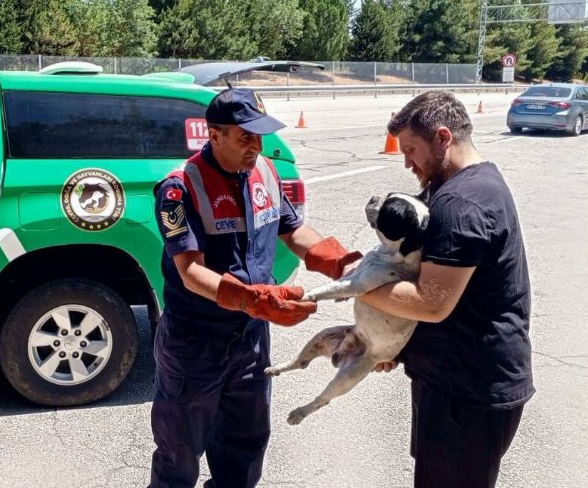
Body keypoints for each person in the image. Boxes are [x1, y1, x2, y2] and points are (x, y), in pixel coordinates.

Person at [149, 87, 361, 488]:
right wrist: (253, 299)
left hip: (250, 340)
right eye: (245, 136)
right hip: (195, 342)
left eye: (260, 136)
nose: (256, 146)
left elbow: (293, 229)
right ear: (214, 136)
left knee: (244, 449)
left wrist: (338, 261)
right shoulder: (179, 189)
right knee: (178, 458)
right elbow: (191, 272)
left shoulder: (264, 171)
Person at [361, 91, 534, 488]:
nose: (406, 161)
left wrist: (358, 287)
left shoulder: (462, 202)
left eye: (411, 149)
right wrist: (400, 348)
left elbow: (431, 302)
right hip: (457, 381)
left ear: (442, 137)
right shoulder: (475, 181)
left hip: (468, 393)